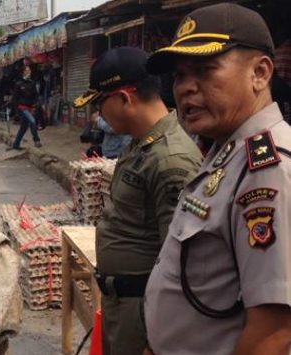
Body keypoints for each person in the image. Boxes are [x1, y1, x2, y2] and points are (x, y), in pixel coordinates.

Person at [143, 4, 291, 354]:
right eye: (179, 76)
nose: (185, 89)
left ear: (260, 72)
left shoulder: (268, 171)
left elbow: (274, 332)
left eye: (205, 70)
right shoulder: (225, 152)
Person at [73, 46, 202, 355]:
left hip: (146, 313)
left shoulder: (170, 159)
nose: (98, 114)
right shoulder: (140, 145)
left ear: (124, 99)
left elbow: (186, 266)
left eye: (100, 104)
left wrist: (159, 340)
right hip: (125, 305)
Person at [9, 66, 42, 149]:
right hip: (22, 108)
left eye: (29, 70)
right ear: (23, 72)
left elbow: (36, 96)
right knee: (32, 121)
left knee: (23, 128)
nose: (28, 72)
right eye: (26, 70)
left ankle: (16, 144)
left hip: (30, 107)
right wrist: (16, 112)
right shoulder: (18, 84)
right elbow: (14, 98)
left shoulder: (33, 83)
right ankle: (36, 140)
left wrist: (36, 104)